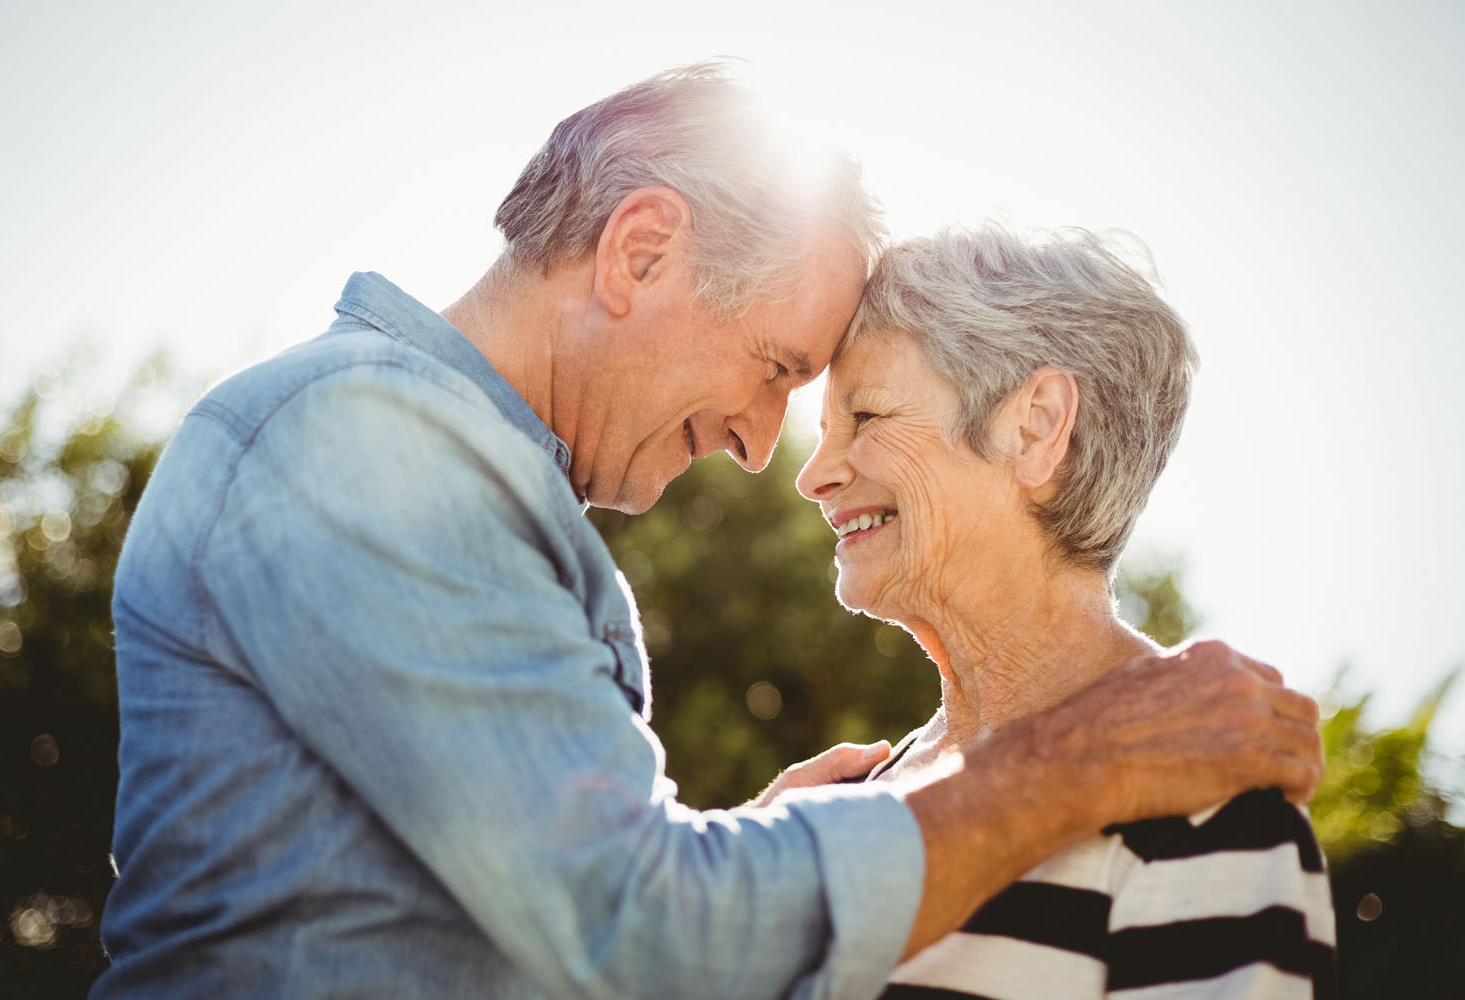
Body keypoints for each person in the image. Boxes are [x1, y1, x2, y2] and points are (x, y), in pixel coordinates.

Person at [94, 64, 1324, 999]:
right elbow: (637, 928)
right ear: (638, 253)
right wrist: (1077, 764)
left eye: (853, 409)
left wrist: (745, 855)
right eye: (779, 368)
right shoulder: (369, 446)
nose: (763, 448)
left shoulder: (427, 467)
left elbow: (527, 919)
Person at [795, 224, 1337, 998]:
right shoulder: (828, 809)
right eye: (824, 432)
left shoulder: (1206, 796)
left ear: (1037, 426)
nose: (813, 475)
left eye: (867, 418)